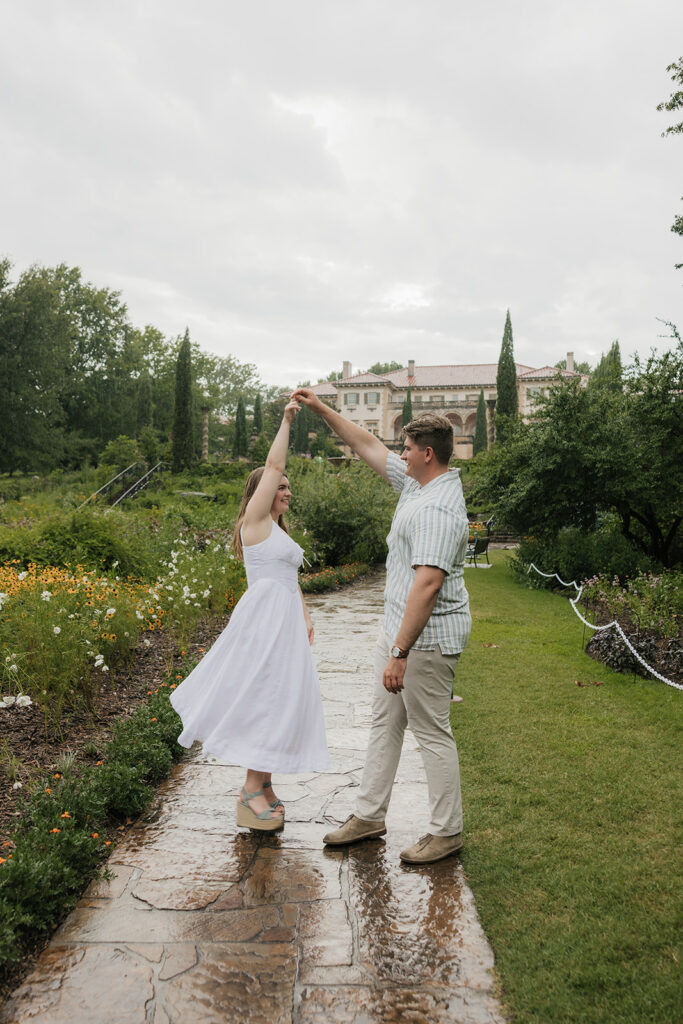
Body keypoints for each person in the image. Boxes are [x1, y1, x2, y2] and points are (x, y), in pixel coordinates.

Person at [291, 390, 471, 864]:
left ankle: (446, 831)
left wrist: (400, 652)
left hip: (424, 642)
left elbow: (428, 585)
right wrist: (322, 409)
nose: (400, 453)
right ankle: (369, 816)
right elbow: (368, 444)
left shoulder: (437, 506)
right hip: (399, 634)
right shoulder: (419, 484)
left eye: (408, 448)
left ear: (426, 454)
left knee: (431, 731)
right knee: (384, 725)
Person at [170, 400, 329, 832]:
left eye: (288, 487)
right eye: (281, 486)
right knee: (266, 698)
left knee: (281, 697)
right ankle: (250, 790)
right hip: (263, 623)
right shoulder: (255, 522)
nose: (287, 491)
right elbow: (274, 462)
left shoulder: (277, 531)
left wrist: (306, 616)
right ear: (262, 492)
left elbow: (289, 577)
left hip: (285, 624)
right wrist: (286, 421)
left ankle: (265, 784)